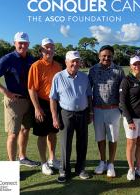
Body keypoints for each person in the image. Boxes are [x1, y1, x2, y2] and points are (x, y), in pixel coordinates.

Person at [0, 32, 39, 167]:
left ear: (28, 44)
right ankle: (11, 165)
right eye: (19, 42)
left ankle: (22, 157)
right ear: (14, 43)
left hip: (29, 100)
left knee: (25, 130)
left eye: (25, 43)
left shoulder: (31, 59)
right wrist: (6, 92)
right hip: (14, 101)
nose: (22, 45)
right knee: (13, 134)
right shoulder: (8, 58)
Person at [50, 51, 92, 183]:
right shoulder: (58, 77)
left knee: (82, 143)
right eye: (72, 61)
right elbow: (53, 98)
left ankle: (80, 169)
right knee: (65, 144)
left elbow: (89, 96)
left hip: (83, 113)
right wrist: (54, 118)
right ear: (66, 62)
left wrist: (90, 113)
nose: (75, 63)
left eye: (77, 61)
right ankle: (64, 171)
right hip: (65, 114)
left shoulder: (84, 77)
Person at [88, 45, 125, 177]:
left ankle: (111, 164)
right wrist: (90, 111)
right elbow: (88, 91)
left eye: (109, 56)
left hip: (113, 110)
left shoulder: (119, 70)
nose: (106, 58)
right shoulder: (93, 70)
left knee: (113, 138)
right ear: (99, 56)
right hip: (97, 110)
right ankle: (102, 162)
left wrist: (123, 110)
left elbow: (123, 92)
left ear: (112, 56)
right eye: (104, 55)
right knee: (100, 138)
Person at [28, 38, 62, 175]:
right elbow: (31, 89)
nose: (49, 50)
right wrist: (37, 108)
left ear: (54, 49)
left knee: (53, 133)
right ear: (41, 50)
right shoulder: (36, 66)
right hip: (41, 103)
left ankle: (52, 159)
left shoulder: (58, 66)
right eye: (46, 48)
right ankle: (43, 163)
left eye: (51, 47)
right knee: (42, 135)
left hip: (55, 103)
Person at [119, 55, 140, 181]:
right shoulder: (126, 80)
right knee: (131, 143)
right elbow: (122, 103)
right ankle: (131, 169)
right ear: (131, 66)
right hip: (132, 118)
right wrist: (129, 120)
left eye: (139, 63)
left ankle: (138, 168)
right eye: (134, 64)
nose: (137, 66)